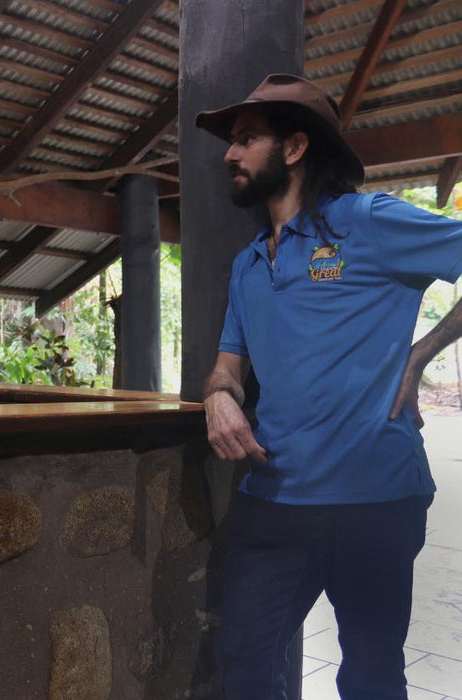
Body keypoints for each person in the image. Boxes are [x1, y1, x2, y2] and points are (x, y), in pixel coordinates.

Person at [195, 74, 462, 699]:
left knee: (369, 675)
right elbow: (227, 367)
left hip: (375, 498)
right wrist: (217, 397)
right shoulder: (249, 263)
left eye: (246, 139)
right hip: (273, 498)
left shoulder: (366, 222)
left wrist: (421, 354)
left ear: (294, 149)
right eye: (231, 141)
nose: (230, 154)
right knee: (245, 663)